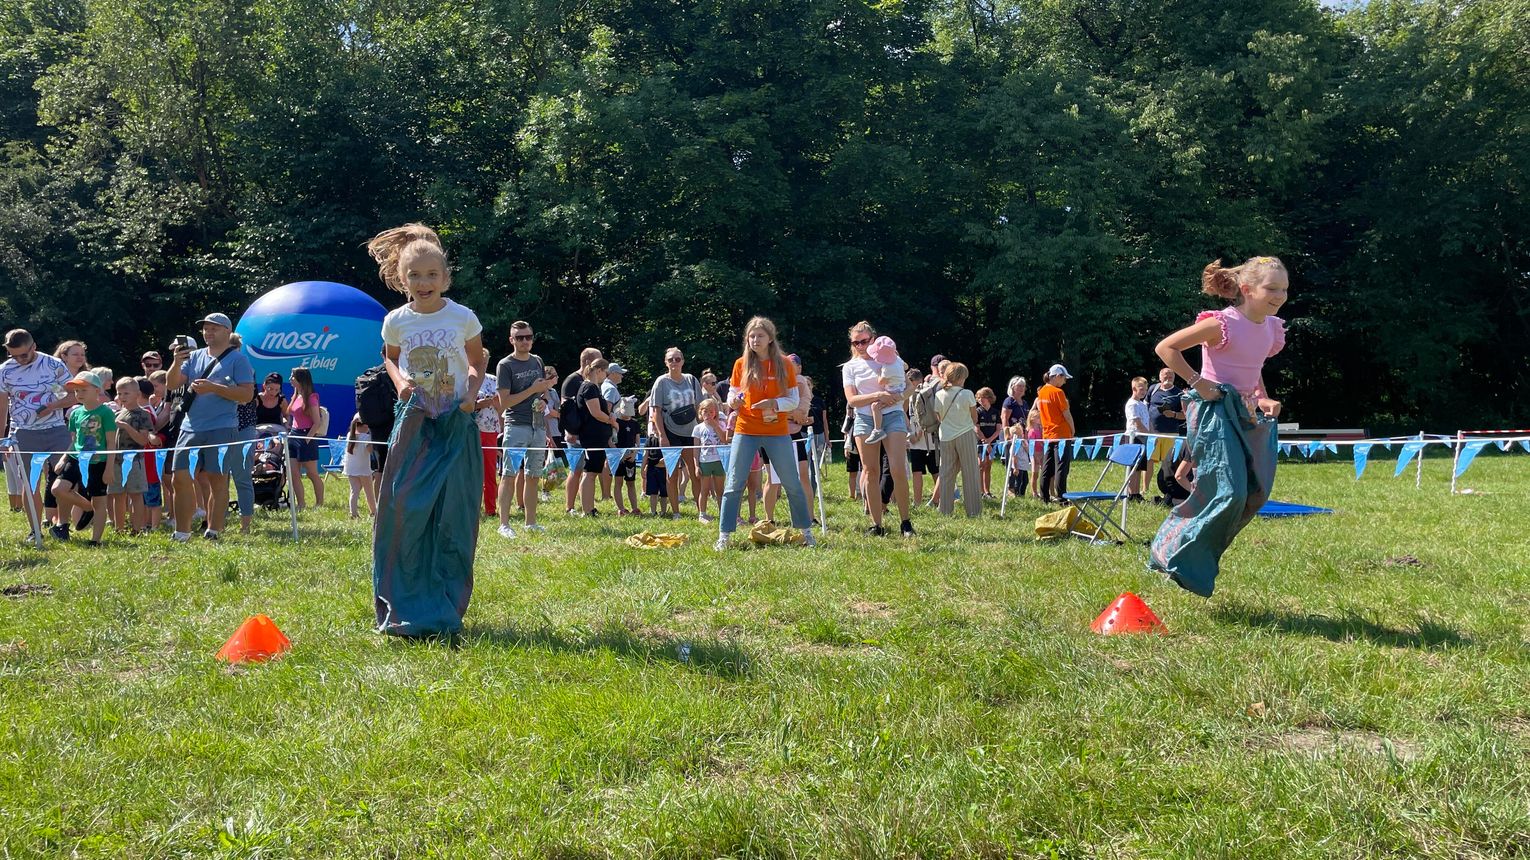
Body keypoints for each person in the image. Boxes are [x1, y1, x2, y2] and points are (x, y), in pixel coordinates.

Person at [368, 222, 486, 637]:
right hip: (415, 420)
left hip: (455, 420)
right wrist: (401, 384)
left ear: (445, 278)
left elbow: (478, 360)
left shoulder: (463, 317)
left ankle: (446, 606)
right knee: (404, 505)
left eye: (432, 275)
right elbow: (391, 358)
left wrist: (471, 392)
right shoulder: (395, 321)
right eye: (414, 275)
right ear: (402, 280)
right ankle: (402, 602)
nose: (423, 282)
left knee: (454, 513)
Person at [1150, 256, 1288, 598]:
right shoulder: (1221, 323)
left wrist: (1262, 396)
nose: (1279, 295)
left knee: (1254, 494)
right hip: (1211, 411)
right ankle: (1171, 551)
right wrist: (1198, 382)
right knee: (1229, 491)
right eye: (1271, 288)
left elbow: (1252, 366)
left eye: (1284, 289)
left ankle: (1195, 555)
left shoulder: (1271, 327)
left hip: (1243, 412)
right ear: (1246, 289)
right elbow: (1166, 348)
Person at [715, 317, 815, 549]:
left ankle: (806, 532)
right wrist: (734, 401)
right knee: (734, 483)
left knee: (792, 482)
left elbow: (793, 400)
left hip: (777, 431)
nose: (755, 340)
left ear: (770, 338)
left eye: (760, 335)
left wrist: (773, 403)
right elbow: (733, 393)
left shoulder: (785, 364)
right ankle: (724, 536)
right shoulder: (741, 364)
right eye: (751, 336)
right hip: (745, 429)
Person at [166, 313, 255, 541]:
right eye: (205, 328)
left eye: (214, 328)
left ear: (227, 331)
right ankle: (182, 532)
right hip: (190, 426)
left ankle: (214, 530)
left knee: (217, 478)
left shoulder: (238, 360)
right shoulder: (193, 357)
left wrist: (214, 388)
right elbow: (172, 383)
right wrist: (176, 363)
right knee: (179, 477)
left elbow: (246, 395)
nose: (208, 332)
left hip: (223, 426)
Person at [0, 330, 74, 538]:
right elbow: (2, 408)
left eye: (23, 355)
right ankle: (35, 531)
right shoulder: (5, 371)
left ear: (34, 347)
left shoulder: (53, 365)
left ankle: (63, 526)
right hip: (24, 432)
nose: (18, 360)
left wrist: (52, 406)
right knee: (30, 482)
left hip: (57, 430)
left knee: (64, 479)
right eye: (13, 355)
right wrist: (3, 439)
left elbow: (73, 396)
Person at [842, 322, 914, 537]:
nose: (861, 345)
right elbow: (852, 400)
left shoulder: (888, 356)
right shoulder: (850, 367)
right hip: (865, 419)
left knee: (897, 468)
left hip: (893, 416)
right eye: (856, 342)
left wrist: (895, 398)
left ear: (873, 339)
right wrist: (878, 396)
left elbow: (910, 387)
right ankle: (877, 525)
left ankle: (906, 523)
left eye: (864, 341)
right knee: (870, 471)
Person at [495, 320, 554, 537]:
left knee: (533, 475)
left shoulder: (537, 360)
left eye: (528, 337)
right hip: (516, 425)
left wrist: (544, 399)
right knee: (509, 475)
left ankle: (530, 522)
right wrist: (533, 389)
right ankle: (504, 524)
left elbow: (543, 390)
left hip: (537, 425)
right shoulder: (505, 365)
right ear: (512, 340)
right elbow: (504, 402)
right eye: (520, 338)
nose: (525, 341)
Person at [49, 370, 116, 544]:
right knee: (58, 489)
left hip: (98, 462)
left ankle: (95, 540)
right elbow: (74, 441)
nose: (79, 394)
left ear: (97, 390)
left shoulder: (106, 413)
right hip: (76, 458)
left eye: (83, 390)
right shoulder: (75, 413)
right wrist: (64, 458)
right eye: (77, 391)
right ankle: (88, 507)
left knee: (99, 501)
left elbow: (111, 442)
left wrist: (109, 468)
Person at [649, 347, 702, 518]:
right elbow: (655, 411)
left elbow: (700, 407)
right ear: (666, 362)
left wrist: (704, 432)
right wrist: (662, 436)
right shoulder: (661, 382)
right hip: (670, 432)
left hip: (691, 431)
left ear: (683, 361)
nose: (674, 362)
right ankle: (676, 512)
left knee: (695, 472)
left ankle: (701, 511)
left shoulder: (691, 380)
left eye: (677, 359)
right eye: (671, 359)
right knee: (672, 474)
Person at [934, 363, 983, 517]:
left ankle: (945, 510)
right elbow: (975, 418)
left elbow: (938, 417)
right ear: (961, 377)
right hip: (965, 434)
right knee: (970, 473)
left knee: (946, 474)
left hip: (946, 436)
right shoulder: (967, 393)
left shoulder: (939, 394)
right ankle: (973, 511)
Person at [561, 348, 601, 515]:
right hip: (575, 432)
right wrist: (569, 431)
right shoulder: (572, 380)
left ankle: (586, 505)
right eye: (597, 362)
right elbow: (565, 408)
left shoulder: (592, 382)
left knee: (587, 470)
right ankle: (569, 507)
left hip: (588, 432)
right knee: (576, 469)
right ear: (587, 363)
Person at [576, 359, 618, 515]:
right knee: (590, 472)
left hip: (596, 436)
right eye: (605, 373)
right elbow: (596, 412)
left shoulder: (591, 387)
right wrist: (611, 421)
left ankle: (589, 507)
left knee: (592, 472)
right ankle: (587, 510)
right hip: (592, 436)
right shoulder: (590, 387)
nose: (605, 376)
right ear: (599, 370)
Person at [112, 377, 154, 533]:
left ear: (137, 394)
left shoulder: (143, 414)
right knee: (118, 495)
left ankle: (137, 529)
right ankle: (119, 528)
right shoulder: (118, 413)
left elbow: (143, 441)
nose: (122, 397)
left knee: (136, 495)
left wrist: (126, 427)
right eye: (119, 393)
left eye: (126, 393)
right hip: (117, 461)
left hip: (135, 461)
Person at [285, 366, 324, 510]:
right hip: (293, 435)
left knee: (311, 473)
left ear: (301, 380)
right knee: (294, 473)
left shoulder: (311, 397)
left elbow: (317, 422)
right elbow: (291, 414)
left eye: (293, 377)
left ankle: (319, 503)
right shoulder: (295, 395)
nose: (290, 380)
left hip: (306, 435)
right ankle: (301, 504)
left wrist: (308, 438)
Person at [1035, 364, 1075, 504]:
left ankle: (1044, 496)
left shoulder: (1041, 393)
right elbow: (1066, 414)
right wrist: (1072, 429)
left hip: (1048, 434)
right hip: (1062, 434)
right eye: (1064, 378)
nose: (1065, 381)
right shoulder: (1058, 393)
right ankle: (1062, 497)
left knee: (1047, 466)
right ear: (1058, 376)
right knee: (1061, 467)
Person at [470, 346, 501, 517]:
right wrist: (480, 404)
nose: (483, 361)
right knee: (472, 471)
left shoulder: (494, 380)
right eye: (480, 358)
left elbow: (502, 406)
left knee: (490, 471)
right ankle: (472, 507)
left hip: (490, 430)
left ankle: (491, 508)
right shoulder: (467, 378)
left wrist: (496, 403)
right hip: (470, 430)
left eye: (486, 359)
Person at [863, 336, 906, 444]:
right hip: (901, 389)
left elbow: (881, 382)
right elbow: (906, 366)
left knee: (875, 406)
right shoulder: (898, 359)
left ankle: (878, 430)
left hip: (893, 393)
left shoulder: (887, 368)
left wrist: (879, 373)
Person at [1147, 366, 1186, 477]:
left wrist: (1173, 414)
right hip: (1152, 432)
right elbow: (1146, 406)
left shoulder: (1180, 394)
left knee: (1168, 463)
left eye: (1171, 376)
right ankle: (1144, 489)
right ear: (1160, 377)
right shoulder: (1152, 389)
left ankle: (1167, 486)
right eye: (1166, 376)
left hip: (1171, 433)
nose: (1168, 378)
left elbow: (1186, 415)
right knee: (1149, 460)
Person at [693, 398, 726, 522]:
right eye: (705, 411)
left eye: (711, 412)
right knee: (704, 489)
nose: (708, 414)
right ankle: (702, 514)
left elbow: (724, 439)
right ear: (700, 413)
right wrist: (696, 465)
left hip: (719, 461)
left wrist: (716, 426)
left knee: (720, 490)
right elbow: (695, 449)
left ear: (716, 413)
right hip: (705, 462)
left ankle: (722, 512)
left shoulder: (720, 425)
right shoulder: (698, 428)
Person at [342, 414, 378, 518]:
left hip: (350, 468)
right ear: (365, 426)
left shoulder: (350, 435)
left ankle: (353, 513)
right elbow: (370, 450)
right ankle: (374, 511)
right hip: (363, 469)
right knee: (369, 492)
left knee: (354, 491)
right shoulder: (367, 437)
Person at [1123, 376, 1152, 501]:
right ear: (1134, 388)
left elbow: (1147, 421)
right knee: (1133, 467)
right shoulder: (1132, 404)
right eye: (1141, 389)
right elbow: (1137, 423)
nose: (1144, 392)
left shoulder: (1142, 404)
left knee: (1140, 467)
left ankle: (1136, 492)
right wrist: (1148, 434)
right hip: (1134, 438)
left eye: (1145, 390)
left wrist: (1149, 433)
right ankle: (1130, 493)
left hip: (1143, 437)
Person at [975, 386, 1002, 498]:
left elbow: (998, 429)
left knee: (988, 466)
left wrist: (990, 442)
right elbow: (977, 429)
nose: (981, 400)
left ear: (989, 398)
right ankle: (980, 492)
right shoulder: (977, 412)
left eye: (984, 397)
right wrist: (985, 442)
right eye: (979, 397)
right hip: (981, 443)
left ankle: (987, 491)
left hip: (992, 442)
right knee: (981, 465)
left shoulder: (995, 412)